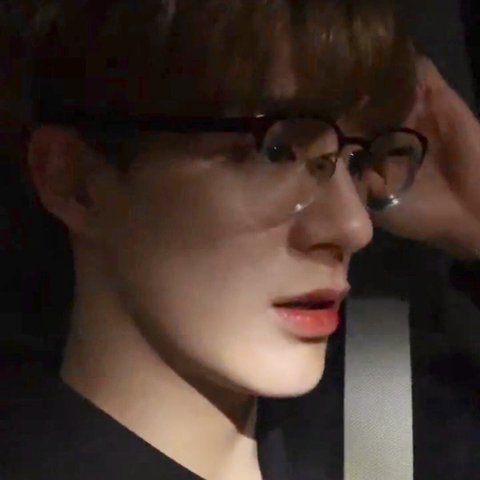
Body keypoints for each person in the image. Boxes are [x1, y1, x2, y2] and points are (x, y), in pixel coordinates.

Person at [0, 1, 429, 479]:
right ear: (73, 180)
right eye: (275, 153)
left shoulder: (384, 416)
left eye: (358, 161)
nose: (354, 227)